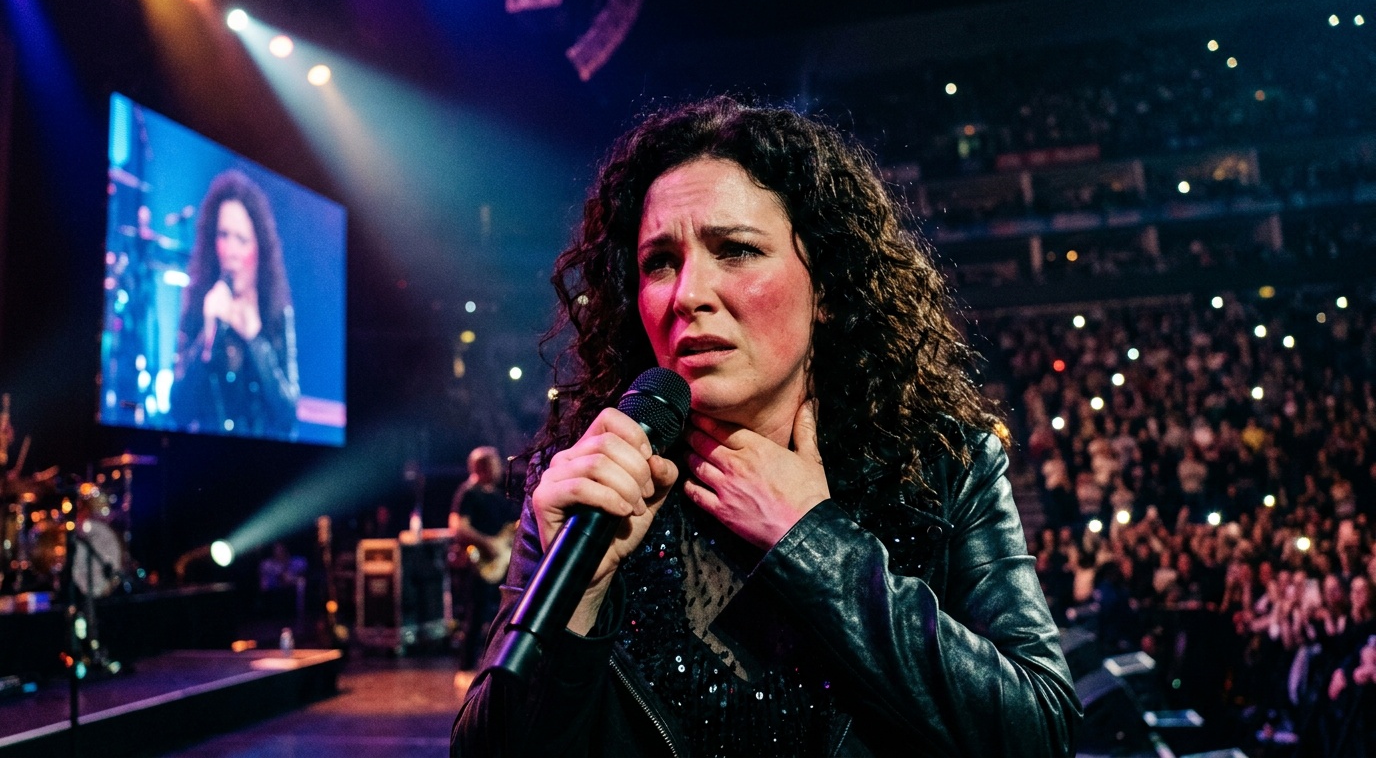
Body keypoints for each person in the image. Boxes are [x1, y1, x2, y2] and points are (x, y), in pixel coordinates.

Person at [452, 97, 1081, 756]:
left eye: (737, 249)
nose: (686, 293)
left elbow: (1039, 729)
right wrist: (578, 596)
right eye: (659, 262)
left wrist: (813, 540)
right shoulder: (588, 483)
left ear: (829, 286)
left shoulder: (944, 465)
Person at [171, 169, 299, 439]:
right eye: (223, 235)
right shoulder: (198, 305)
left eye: (242, 239)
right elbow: (178, 411)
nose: (231, 250)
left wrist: (255, 339)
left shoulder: (276, 312)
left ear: (259, 247)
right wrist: (207, 340)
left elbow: (287, 416)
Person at [449, 446, 519, 669]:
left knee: (502, 615)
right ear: (482, 467)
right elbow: (458, 527)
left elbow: (509, 528)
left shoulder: (499, 496)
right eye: (494, 463)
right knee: (475, 615)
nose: (500, 467)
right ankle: (466, 667)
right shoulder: (468, 492)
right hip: (479, 565)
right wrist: (487, 543)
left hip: (501, 563)